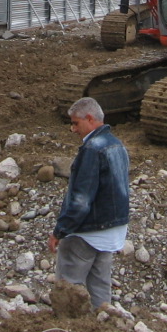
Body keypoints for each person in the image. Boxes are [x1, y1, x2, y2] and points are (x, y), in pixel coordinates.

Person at [49, 97, 130, 309]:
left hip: (89, 230)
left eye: (76, 123)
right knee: (100, 286)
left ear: (90, 118)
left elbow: (81, 199)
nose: (72, 129)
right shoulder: (117, 145)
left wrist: (60, 231)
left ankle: (67, 328)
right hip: (111, 230)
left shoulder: (92, 149)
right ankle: (104, 325)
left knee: (68, 287)